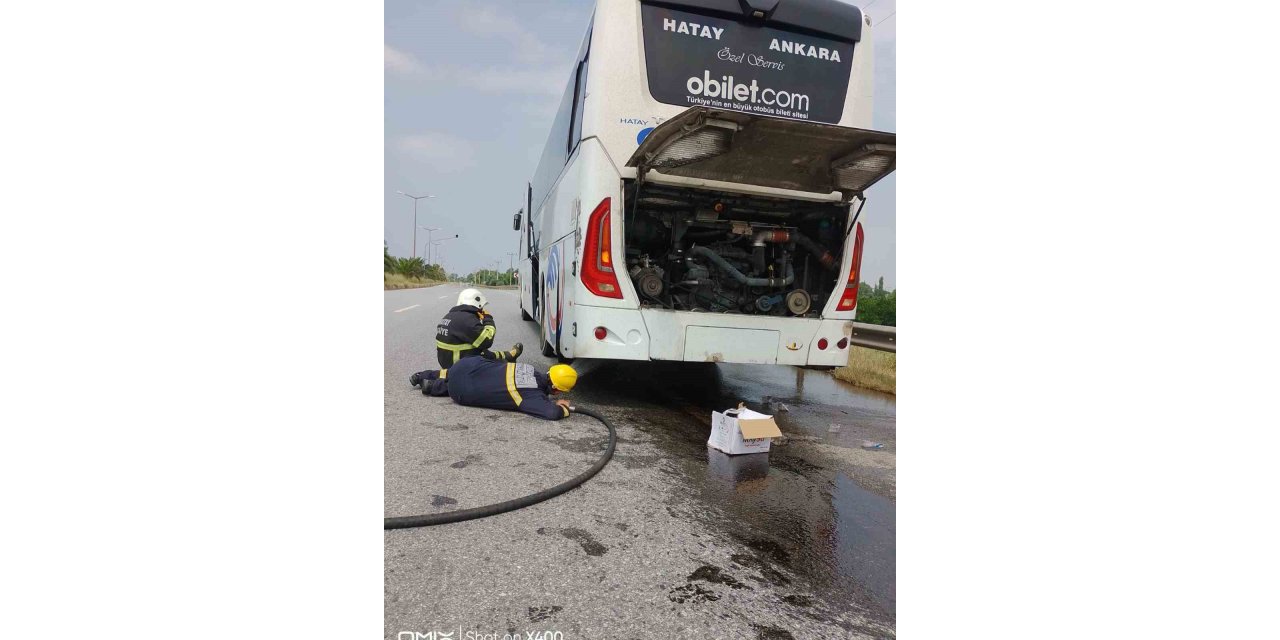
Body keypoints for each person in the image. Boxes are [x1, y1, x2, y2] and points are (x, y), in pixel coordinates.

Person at [411, 288, 523, 388]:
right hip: (461, 364)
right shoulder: (467, 320)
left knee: (483, 353)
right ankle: (434, 384)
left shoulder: (449, 316)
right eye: (482, 307)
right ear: (477, 304)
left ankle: (510, 355)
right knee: (490, 374)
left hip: (448, 360)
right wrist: (488, 319)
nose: (482, 309)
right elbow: (487, 340)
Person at [418, 358, 578, 420]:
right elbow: (551, 413)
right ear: (556, 390)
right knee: (467, 386)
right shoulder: (532, 396)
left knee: (463, 373)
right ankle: (433, 387)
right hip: (459, 392)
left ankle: (423, 376)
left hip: (463, 365)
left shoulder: (529, 368)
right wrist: (563, 408)